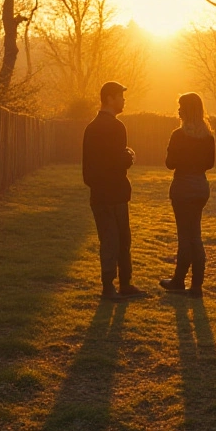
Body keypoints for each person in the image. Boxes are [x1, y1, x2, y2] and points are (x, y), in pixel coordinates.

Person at [82, 81, 146, 301]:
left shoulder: (91, 128)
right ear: (110, 98)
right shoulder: (117, 127)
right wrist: (129, 157)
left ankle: (111, 284)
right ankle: (121, 284)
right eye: (120, 96)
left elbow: (89, 167)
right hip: (116, 193)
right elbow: (118, 160)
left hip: (99, 194)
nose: (123, 100)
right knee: (121, 239)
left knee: (108, 239)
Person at [159, 93, 216, 298]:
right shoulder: (208, 136)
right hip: (200, 187)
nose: (178, 110)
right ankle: (196, 285)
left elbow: (169, 163)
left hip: (183, 187)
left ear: (185, 110)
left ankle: (179, 280)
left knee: (185, 237)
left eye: (180, 106)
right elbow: (210, 164)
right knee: (195, 235)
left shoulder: (178, 135)